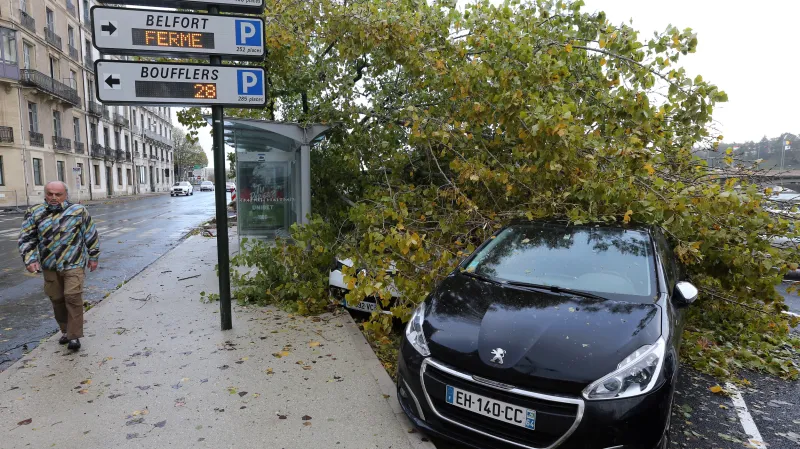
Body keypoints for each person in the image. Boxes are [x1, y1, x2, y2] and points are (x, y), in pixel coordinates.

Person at [18, 181, 100, 350]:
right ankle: (65, 330)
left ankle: (74, 336)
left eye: (58, 194)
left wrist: (93, 256)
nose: (54, 197)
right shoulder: (35, 212)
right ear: (45, 194)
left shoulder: (78, 211)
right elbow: (27, 238)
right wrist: (30, 259)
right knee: (57, 299)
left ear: (65, 195)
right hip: (50, 265)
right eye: (50, 194)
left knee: (73, 296)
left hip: (73, 263)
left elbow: (90, 234)